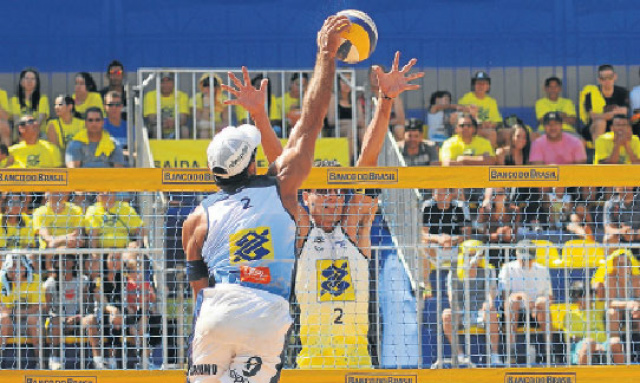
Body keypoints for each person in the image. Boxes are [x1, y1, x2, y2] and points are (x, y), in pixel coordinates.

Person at [182, 14, 421, 380]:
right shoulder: (300, 227)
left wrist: (384, 100)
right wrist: (261, 117)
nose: (331, 198)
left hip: (358, 365)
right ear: (305, 199)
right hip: (310, 365)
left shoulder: (355, 229)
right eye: (321, 192)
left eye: (336, 192)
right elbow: (283, 163)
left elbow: (367, 162)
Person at [442, 240, 503, 365]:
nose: (473, 258)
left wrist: (488, 304)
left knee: (491, 312)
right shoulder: (453, 272)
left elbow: (490, 294)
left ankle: (495, 355)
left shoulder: (488, 271)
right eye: (470, 255)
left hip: (481, 312)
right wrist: (456, 309)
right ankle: (460, 355)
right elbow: (451, 297)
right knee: (446, 314)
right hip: (461, 312)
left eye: (476, 255)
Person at [44, 254, 101, 370]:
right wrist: (63, 319)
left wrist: (78, 317)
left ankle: (98, 361)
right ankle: (54, 360)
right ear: (55, 263)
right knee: (54, 321)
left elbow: (88, 305)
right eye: (60, 259)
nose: (64, 261)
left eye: (68, 258)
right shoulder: (50, 283)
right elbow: (48, 309)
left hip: (79, 320)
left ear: (74, 262)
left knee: (91, 319)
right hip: (60, 321)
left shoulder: (82, 280)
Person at [499, 240, 553, 354]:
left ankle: (550, 348)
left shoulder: (542, 270)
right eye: (523, 258)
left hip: (536, 312)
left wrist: (538, 302)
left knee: (543, 303)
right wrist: (522, 296)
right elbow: (505, 296)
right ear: (517, 255)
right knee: (512, 302)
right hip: (514, 312)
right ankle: (511, 348)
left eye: (529, 258)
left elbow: (550, 296)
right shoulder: (507, 268)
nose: (526, 261)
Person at [422, 188, 472, 293]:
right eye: (438, 194)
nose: (442, 197)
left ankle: (464, 284)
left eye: (444, 194)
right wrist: (439, 239)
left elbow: (466, 234)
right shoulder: (428, 208)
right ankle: (426, 285)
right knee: (423, 245)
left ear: (450, 195)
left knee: (469, 245)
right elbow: (424, 234)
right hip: (436, 247)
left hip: (455, 246)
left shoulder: (459, 207)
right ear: (433, 195)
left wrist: (452, 241)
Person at [565, 281, 624, 365]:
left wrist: (598, 345)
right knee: (589, 342)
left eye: (590, 293)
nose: (589, 296)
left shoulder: (597, 308)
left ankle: (621, 376)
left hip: (602, 344)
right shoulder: (570, 315)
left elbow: (599, 285)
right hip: (581, 346)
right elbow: (573, 338)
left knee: (616, 342)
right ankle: (581, 375)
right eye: (584, 294)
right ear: (576, 297)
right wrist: (594, 344)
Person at [0, 254, 45, 364]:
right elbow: (3, 309)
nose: (15, 269)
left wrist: (20, 312)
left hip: (29, 322)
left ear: (25, 267)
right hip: (11, 323)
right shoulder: (2, 281)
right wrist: (16, 312)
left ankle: (40, 362)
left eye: (19, 266)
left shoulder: (35, 279)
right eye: (12, 265)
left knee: (33, 320)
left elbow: (40, 306)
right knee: (3, 319)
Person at [32, 192, 85, 274]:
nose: (57, 195)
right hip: (48, 250)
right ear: (46, 194)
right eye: (54, 191)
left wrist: (62, 241)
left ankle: (72, 278)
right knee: (52, 245)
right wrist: (65, 238)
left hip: (71, 246)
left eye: (60, 191)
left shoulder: (75, 210)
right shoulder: (40, 212)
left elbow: (76, 234)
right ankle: (51, 274)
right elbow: (47, 238)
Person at [590, 249, 640, 335]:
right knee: (612, 313)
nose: (623, 268)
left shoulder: (636, 279)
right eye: (619, 265)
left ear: (630, 266)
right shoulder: (610, 279)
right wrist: (627, 304)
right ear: (614, 266)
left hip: (632, 311)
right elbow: (609, 303)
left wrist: (636, 307)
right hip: (618, 311)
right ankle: (614, 342)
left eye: (625, 264)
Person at [579, 64, 630, 142]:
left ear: (615, 77)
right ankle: (599, 153)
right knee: (600, 122)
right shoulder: (591, 93)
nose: (607, 81)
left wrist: (603, 115)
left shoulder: (622, 92)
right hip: (594, 127)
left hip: (616, 124)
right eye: (603, 78)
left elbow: (625, 111)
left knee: (622, 124)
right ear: (599, 80)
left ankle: (622, 153)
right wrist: (613, 113)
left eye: (610, 77)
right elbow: (593, 116)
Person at [458, 71, 503, 148]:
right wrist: (480, 124)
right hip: (473, 129)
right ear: (474, 85)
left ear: (488, 87)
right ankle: (490, 157)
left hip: (488, 128)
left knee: (508, 133)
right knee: (491, 133)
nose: (481, 86)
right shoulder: (467, 98)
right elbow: (462, 118)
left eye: (484, 84)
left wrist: (490, 124)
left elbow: (497, 121)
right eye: (478, 83)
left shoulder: (492, 102)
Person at [365, 64, 406, 141]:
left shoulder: (394, 96)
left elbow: (401, 119)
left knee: (399, 129)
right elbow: (361, 120)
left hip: (389, 127)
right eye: (373, 75)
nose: (375, 78)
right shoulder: (363, 97)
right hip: (369, 129)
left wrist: (382, 124)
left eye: (378, 75)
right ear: (369, 77)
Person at [143, 72, 190, 139]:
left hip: (175, 129)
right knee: (156, 129)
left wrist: (173, 123)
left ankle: (186, 149)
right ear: (158, 83)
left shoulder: (182, 95)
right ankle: (157, 149)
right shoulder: (150, 95)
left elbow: (183, 118)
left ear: (173, 82)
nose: (165, 84)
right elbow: (151, 118)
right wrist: (164, 122)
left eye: (168, 81)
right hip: (158, 127)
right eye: (162, 81)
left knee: (184, 130)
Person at [326, 72, 365, 152]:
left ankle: (366, 160)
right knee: (351, 130)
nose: (347, 83)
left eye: (349, 80)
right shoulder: (333, 98)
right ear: (338, 82)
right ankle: (350, 162)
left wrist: (353, 124)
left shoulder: (355, 99)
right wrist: (352, 123)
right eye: (344, 81)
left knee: (364, 131)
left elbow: (361, 121)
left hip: (354, 129)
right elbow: (331, 121)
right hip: (337, 130)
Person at [10, 67, 50, 134]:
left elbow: (40, 120)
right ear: (21, 82)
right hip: (21, 134)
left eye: (32, 79)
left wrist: (30, 131)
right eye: (27, 78)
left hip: (38, 134)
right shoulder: (15, 100)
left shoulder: (43, 99)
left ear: (37, 82)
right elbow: (16, 121)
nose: (29, 81)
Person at [190, 74, 229, 139]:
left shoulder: (223, 98)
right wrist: (206, 105)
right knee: (204, 132)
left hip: (218, 129)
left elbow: (226, 123)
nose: (208, 88)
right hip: (201, 131)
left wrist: (210, 125)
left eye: (212, 85)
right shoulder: (196, 98)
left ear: (217, 87)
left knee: (219, 133)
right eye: (206, 85)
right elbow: (198, 124)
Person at [602, 187, 640, 251]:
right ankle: (611, 260)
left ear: (633, 185)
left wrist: (634, 233)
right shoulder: (610, 204)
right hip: (620, 240)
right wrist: (622, 231)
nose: (625, 185)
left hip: (637, 238)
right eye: (622, 183)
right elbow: (608, 229)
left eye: (627, 182)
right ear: (616, 187)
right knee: (608, 238)